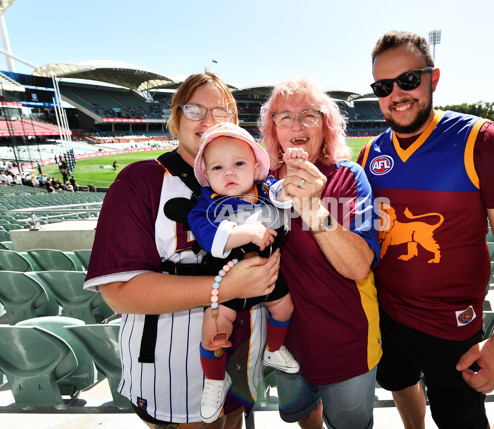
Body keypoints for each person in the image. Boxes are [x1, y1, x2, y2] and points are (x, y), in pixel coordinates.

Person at [358, 31, 494, 429]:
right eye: (383, 86)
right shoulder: (370, 153)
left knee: (459, 417)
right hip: (386, 313)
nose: (397, 94)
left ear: (433, 79)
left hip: (451, 326)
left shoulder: (482, 141)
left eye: (408, 80)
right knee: (399, 382)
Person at [83, 72, 280, 429]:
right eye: (194, 110)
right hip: (170, 363)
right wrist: (228, 287)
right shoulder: (140, 181)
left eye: (220, 112)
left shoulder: (254, 181)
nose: (208, 121)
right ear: (175, 118)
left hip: (243, 351)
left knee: (233, 422)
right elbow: (119, 293)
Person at [259, 78, 382, 429]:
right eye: (284, 117)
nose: (296, 126)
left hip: (347, 344)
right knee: (305, 417)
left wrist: (313, 207)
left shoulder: (348, 177)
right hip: (287, 347)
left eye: (308, 116)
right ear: (274, 129)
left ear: (325, 126)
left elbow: (359, 266)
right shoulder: (260, 182)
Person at [187, 122, 299, 423]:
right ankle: (214, 381)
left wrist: (290, 182)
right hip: (227, 281)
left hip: (269, 274)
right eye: (218, 167)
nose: (230, 173)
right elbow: (209, 237)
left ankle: (273, 348)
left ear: (256, 166)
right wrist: (246, 231)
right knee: (214, 332)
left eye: (239, 163)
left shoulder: (266, 189)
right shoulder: (207, 203)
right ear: (207, 176)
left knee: (285, 307)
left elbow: (285, 196)